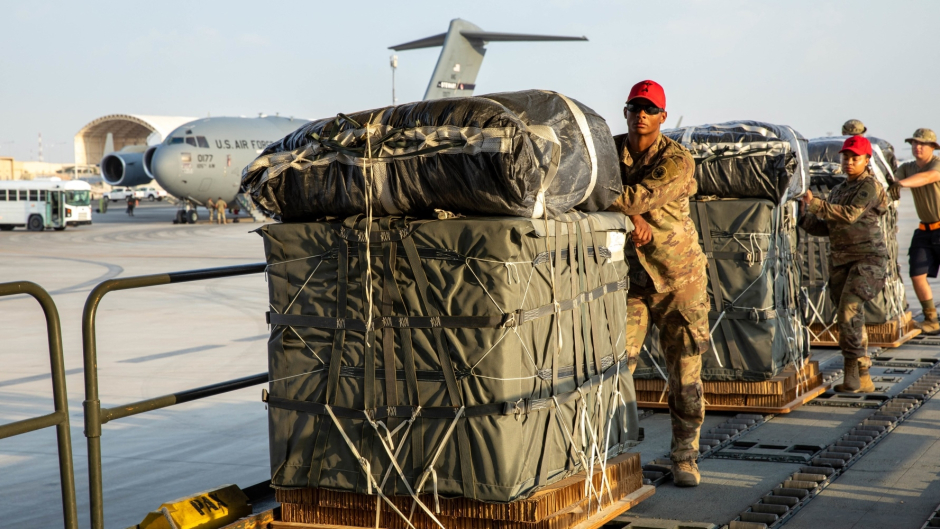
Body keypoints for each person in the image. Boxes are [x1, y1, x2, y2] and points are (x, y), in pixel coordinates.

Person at [607, 80, 708, 487]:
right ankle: (609, 455)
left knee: (684, 376)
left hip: (678, 281)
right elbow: (585, 188)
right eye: (635, 107)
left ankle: (685, 457)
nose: (641, 114)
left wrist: (631, 210)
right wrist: (632, 218)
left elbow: (634, 196)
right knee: (616, 366)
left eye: (650, 109)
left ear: (663, 116)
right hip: (630, 280)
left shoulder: (677, 160)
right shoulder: (610, 151)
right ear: (626, 111)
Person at [799, 136, 889, 393]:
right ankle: (861, 376)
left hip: (868, 259)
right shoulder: (839, 189)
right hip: (841, 261)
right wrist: (802, 215)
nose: (849, 162)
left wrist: (815, 203)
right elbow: (828, 227)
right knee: (850, 317)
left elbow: (850, 215)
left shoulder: (869, 186)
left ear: (866, 160)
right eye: (846, 157)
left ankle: (854, 372)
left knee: (848, 310)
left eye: (855, 158)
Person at [887, 128, 940, 334]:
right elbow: (891, 180)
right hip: (924, 229)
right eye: (915, 143)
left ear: (933, 147)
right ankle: (931, 319)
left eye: (923, 144)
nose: (918, 147)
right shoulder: (907, 168)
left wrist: (899, 184)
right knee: (917, 273)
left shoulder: (936, 164)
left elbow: (927, 177)